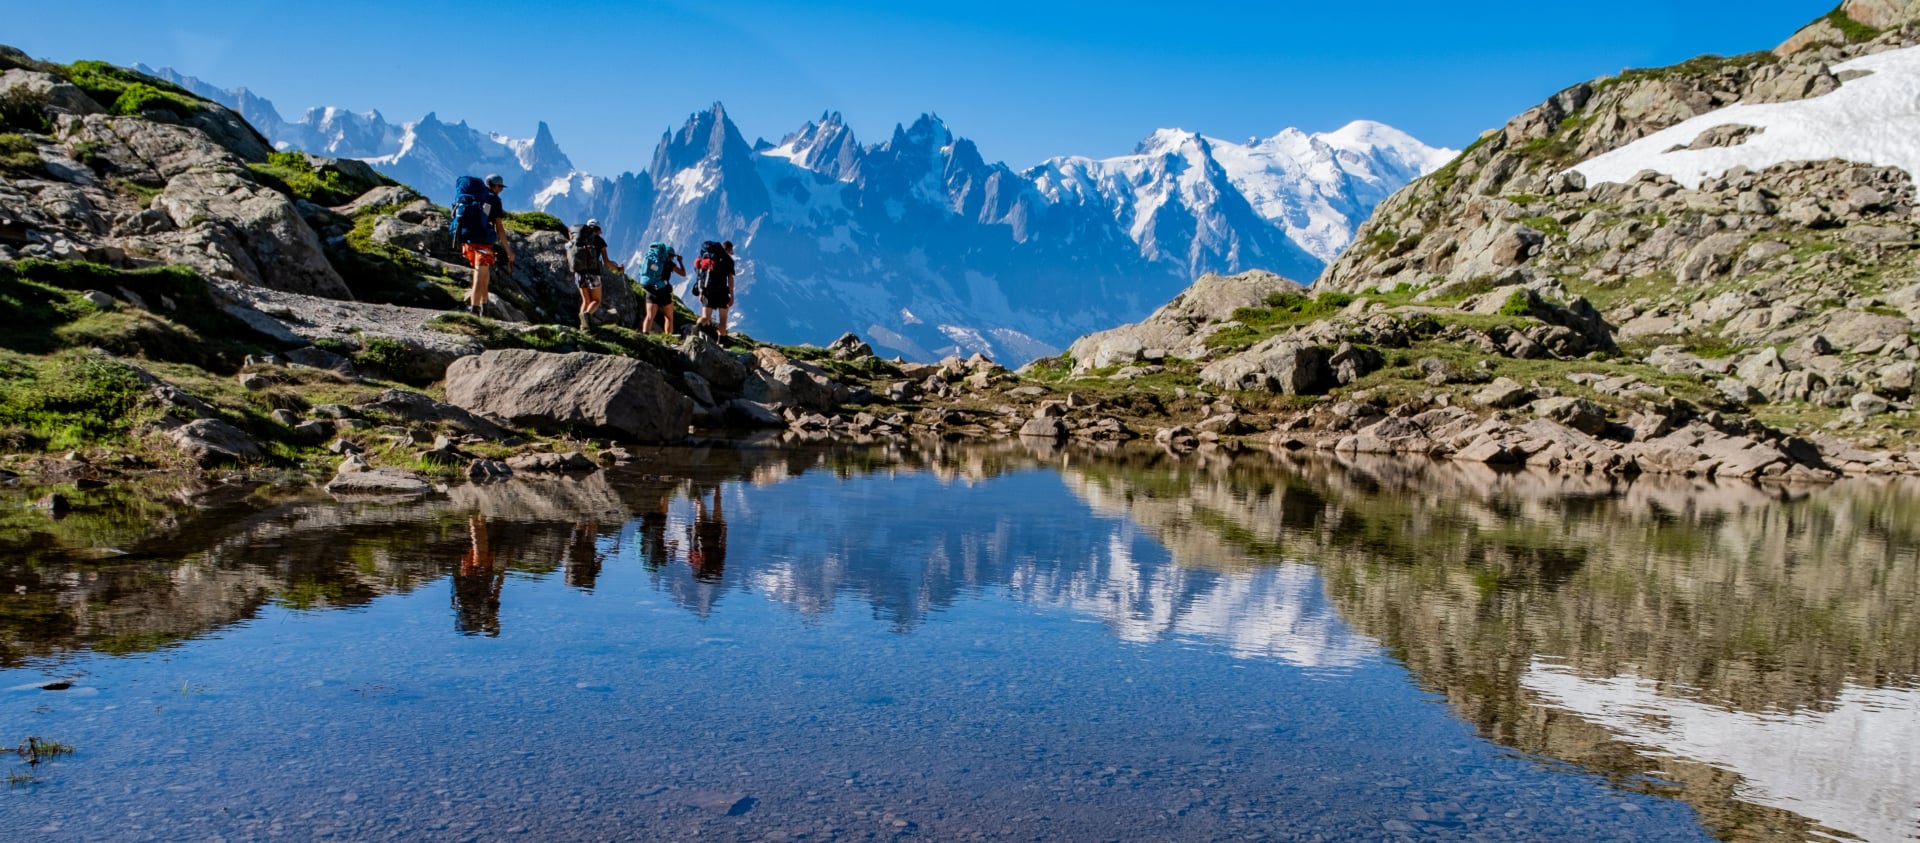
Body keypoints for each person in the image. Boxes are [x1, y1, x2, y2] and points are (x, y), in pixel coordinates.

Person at [453, 173, 515, 316]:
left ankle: (484, 305)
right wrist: (508, 250)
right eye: (500, 187)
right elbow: (499, 227)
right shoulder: (493, 200)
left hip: (468, 241)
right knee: (479, 275)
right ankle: (474, 309)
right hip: (484, 243)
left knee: (484, 272)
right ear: (495, 186)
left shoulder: (474, 197)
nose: (501, 190)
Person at [568, 219, 622, 330]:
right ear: (598, 230)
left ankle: (582, 326)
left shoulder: (578, 239)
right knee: (596, 300)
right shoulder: (599, 240)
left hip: (579, 272)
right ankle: (587, 316)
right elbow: (606, 262)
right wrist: (618, 269)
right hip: (593, 272)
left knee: (585, 300)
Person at [637, 241, 686, 335]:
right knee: (669, 317)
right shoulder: (670, 264)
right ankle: (669, 337)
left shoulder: (652, 260)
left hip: (651, 290)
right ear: (669, 255)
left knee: (649, 316)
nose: (672, 258)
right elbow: (683, 273)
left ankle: (644, 336)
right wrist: (680, 261)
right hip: (664, 292)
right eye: (672, 256)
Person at [695, 240, 737, 339]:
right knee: (723, 321)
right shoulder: (728, 260)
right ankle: (721, 342)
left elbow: (702, 275)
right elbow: (730, 279)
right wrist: (731, 295)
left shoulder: (708, 256)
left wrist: (701, 292)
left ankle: (695, 332)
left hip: (708, 290)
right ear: (729, 249)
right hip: (722, 292)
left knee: (705, 317)